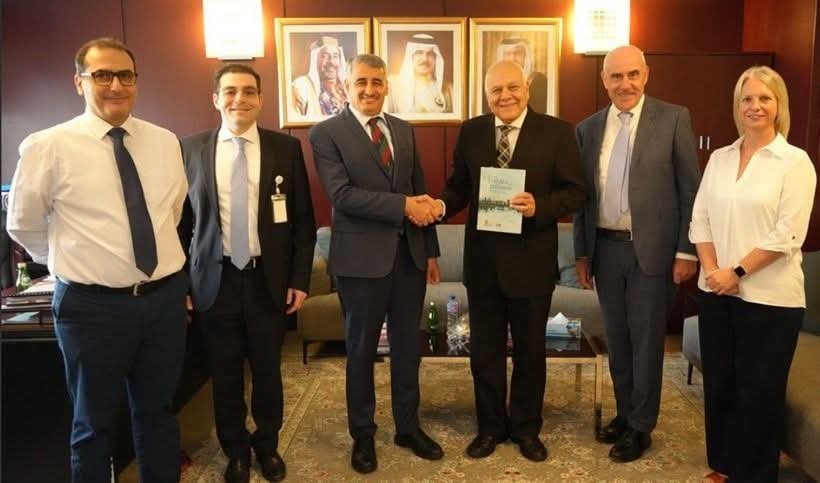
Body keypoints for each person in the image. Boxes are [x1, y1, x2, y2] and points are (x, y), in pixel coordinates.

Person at [5, 37, 189, 482]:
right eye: (102, 75)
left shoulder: (164, 141)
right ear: (79, 82)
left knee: (159, 413)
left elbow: (172, 211)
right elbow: (23, 224)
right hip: (91, 308)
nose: (116, 85)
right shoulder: (47, 146)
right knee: (93, 425)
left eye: (125, 75)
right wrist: (74, 261)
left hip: (163, 300)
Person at [436, 60, 585, 462]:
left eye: (512, 87)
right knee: (484, 354)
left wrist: (540, 206)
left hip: (531, 262)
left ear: (527, 90)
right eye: (496, 90)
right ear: (487, 95)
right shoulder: (471, 131)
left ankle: (525, 429)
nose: (505, 96)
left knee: (530, 353)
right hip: (483, 264)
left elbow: (576, 192)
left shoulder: (557, 132)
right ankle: (490, 428)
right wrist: (439, 207)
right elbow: (458, 188)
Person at [179, 63, 316, 483]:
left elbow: (303, 222)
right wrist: (183, 283)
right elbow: (179, 226)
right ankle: (235, 450)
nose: (239, 98)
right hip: (214, 282)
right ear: (215, 98)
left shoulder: (285, 148)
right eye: (230, 91)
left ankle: (267, 445)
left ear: (260, 98)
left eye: (248, 91)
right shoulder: (190, 149)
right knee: (224, 374)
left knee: (268, 371)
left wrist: (299, 280)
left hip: (266, 281)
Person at [309, 53, 443, 474]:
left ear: (387, 86)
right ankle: (363, 434)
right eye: (361, 82)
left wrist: (431, 251)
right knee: (362, 350)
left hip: (409, 258)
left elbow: (420, 188)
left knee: (407, 350)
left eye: (377, 82)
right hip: (359, 262)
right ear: (347, 86)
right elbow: (342, 195)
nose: (369, 90)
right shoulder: (325, 133)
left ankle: (408, 427)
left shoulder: (403, 129)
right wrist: (403, 206)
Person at [573, 45, 700, 462]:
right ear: (604, 80)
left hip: (653, 252)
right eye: (616, 76)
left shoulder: (673, 118)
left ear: (646, 74)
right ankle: (626, 414)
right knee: (618, 341)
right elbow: (583, 198)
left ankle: (642, 426)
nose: (624, 84)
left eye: (632, 75)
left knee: (646, 343)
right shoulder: (588, 129)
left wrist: (686, 251)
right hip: (605, 250)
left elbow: (690, 190)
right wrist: (582, 253)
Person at [689, 66, 816, 483]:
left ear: (779, 105)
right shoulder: (720, 158)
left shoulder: (794, 162)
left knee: (758, 391)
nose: (755, 106)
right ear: (737, 105)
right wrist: (714, 272)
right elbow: (700, 220)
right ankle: (725, 466)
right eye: (747, 99)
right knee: (721, 384)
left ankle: (755, 475)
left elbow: (788, 233)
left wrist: (738, 271)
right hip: (716, 291)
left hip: (770, 298)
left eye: (764, 98)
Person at [387, 33, 453, 114]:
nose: (425, 59)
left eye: (430, 54)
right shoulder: (393, 86)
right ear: (410, 56)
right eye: (419, 53)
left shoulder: (448, 89)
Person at [481, 38, 548, 115]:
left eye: (518, 53)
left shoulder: (538, 80)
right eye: (507, 53)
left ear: (526, 56)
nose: (512, 58)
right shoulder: (489, 81)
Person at [291, 36, 347, 118]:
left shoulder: (348, 89)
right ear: (315, 59)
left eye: (335, 56)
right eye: (324, 56)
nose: (331, 61)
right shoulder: (302, 86)